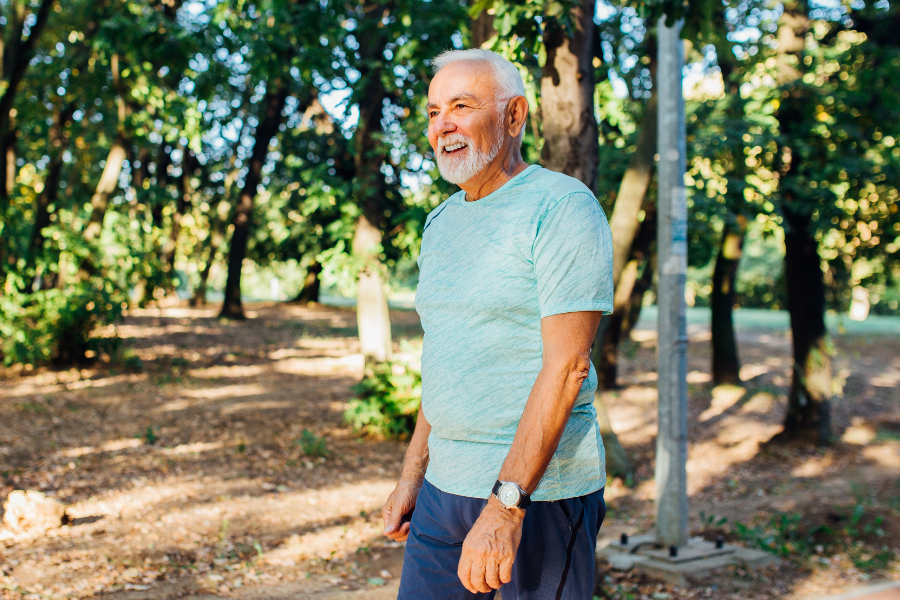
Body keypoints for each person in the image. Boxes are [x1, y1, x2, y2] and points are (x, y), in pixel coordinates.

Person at [381, 48, 614, 600]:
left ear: (514, 116)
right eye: (434, 111)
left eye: (461, 106)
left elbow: (568, 367)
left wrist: (506, 507)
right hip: (443, 491)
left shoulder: (561, 207)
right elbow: (446, 358)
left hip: (537, 496)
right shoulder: (440, 223)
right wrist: (413, 473)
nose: (444, 126)